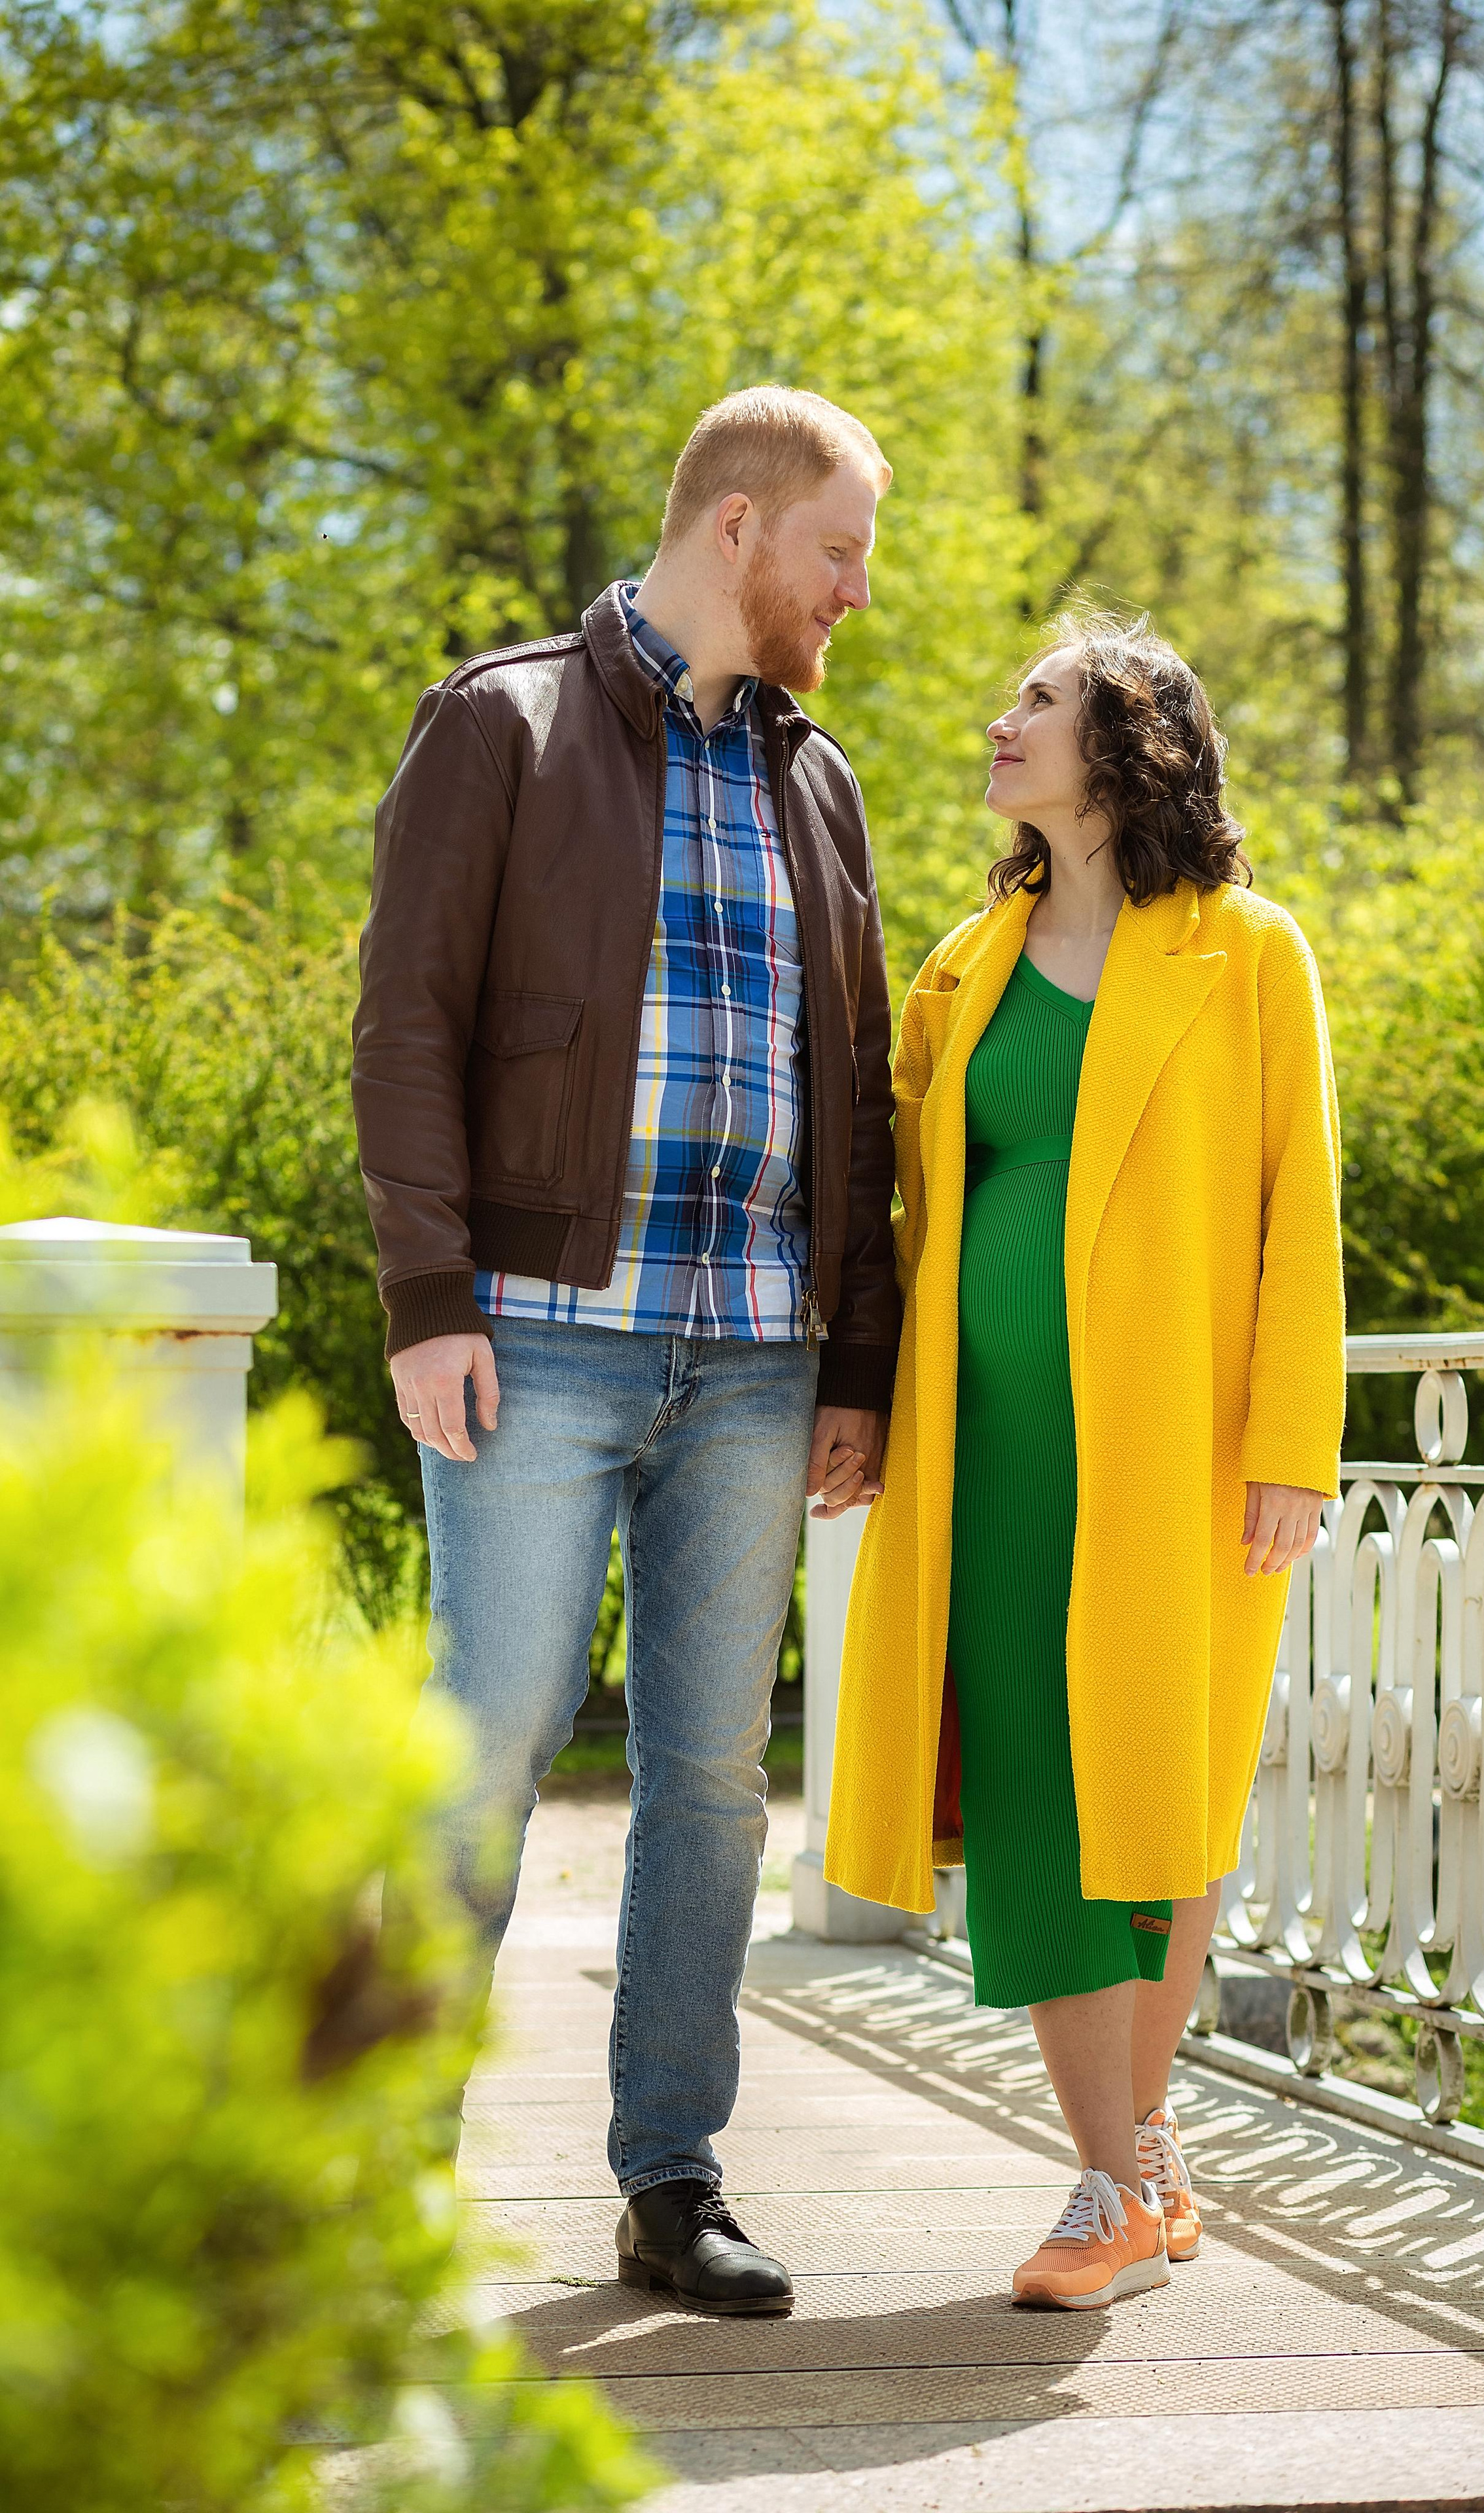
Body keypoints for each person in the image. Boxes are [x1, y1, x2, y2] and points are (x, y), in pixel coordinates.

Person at [351, 385, 900, 2319]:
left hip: (757, 1360)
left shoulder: (818, 782)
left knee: (714, 1786)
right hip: (541, 1346)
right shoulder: (502, 720)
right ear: (739, 528)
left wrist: (863, 1365)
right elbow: (406, 1021)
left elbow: (867, 1095)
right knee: (485, 1750)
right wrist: (429, 1296)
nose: (855, 593)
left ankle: (671, 2182)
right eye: (840, 552)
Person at [822, 609, 1345, 2310]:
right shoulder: (959, 969)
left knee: (1165, 1793)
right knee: (1045, 1801)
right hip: (994, 1453)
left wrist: (1293, 1447)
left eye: (1035, 703)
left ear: (1132, 748)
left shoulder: (1250, 955)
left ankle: (1128, 2169)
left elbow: (1300, 1224)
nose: (1001, 722)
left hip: (1183, 1458)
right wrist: (864, 1398)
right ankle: (1117, 2183)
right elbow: (901, 1217)